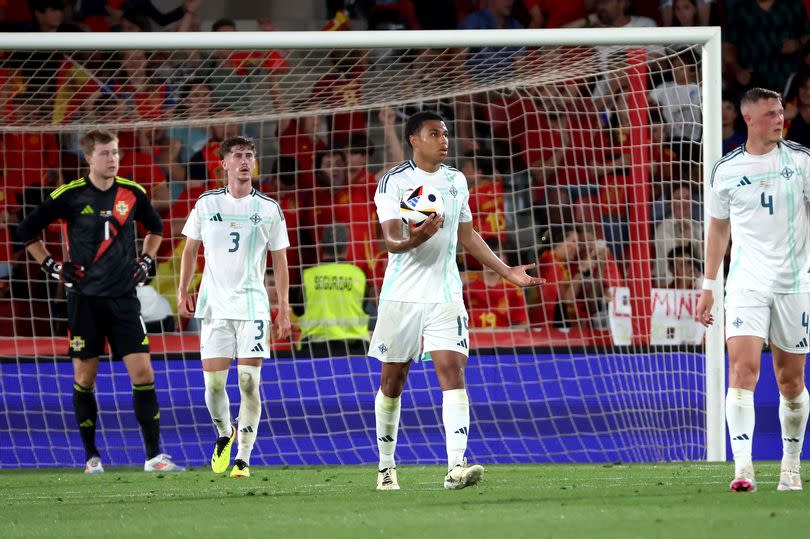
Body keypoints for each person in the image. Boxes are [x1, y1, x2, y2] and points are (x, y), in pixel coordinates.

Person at [370, 111, 545, 491]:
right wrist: (415, 239)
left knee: (453, 373)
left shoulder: (455, 180)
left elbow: (467, 236)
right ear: (415, 140)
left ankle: (455, 466)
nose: (444, 139)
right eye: (435, 133)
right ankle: (386, 466)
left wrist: (507, 272)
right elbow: (392, 240)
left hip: (446, 295)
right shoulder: (394, 181)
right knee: (392, 383)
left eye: (446, 133)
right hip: (402, 297)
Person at [15, 129, 183, 474]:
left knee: (143, 372)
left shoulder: (132, 193)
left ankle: (154, 457)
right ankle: (92, 457)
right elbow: (26, 231)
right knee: (85, 376)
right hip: (84, 301)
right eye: (105, 153)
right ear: (88, 158)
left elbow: (156, 228)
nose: (113, 159)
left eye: (116, 152)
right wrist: (53, 267)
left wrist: (147, 260)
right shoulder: (71, 195)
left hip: (124, 300)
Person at [697, 87, 810, 493]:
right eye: (770, 114)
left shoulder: (801, 162)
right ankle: (742, 468)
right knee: (742, 371)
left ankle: (791, 467)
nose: (779, 119)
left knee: (790, 382)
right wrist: (710, 284)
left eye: (780, 113)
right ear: (748, 118)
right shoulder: (726, 170)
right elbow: (719, 227)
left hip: (795, 285)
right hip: (745, 284)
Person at [177, 135, 291, 479]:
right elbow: (189, 251)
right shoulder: (206, 203)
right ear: (224, 163)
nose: (245, 161)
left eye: (250, 156)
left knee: (247, 382)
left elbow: (281, 261)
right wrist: (183, 289)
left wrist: (282, 307)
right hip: (214, 306)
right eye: (238, 156)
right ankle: (224, 432)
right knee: (213, 386)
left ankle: (243, 456)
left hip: (253, 305)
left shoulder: (269, 208)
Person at [298, 223, 370, 356]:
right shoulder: (358, 275)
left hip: (315, 349)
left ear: (320, 245)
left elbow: (298, 310)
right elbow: (365, 305)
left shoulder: (307, 276)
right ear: (347, 246)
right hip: (356, 349)